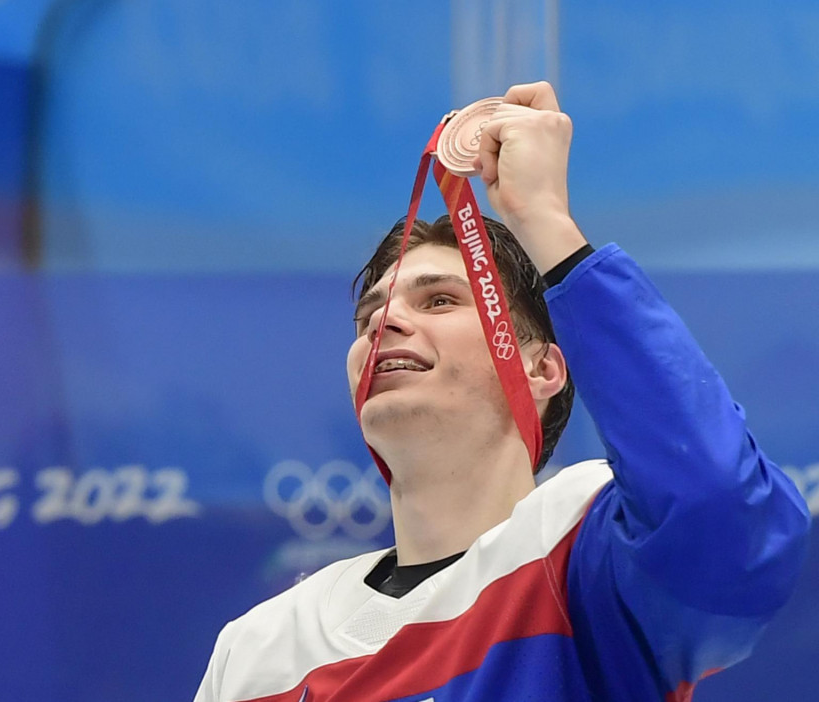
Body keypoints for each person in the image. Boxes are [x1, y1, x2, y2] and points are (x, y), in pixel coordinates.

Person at [193, 82, 810, 701]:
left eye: (439, 300)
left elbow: (722, 516)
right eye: (368, 317)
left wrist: (544, 218)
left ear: (543, 370)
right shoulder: (257, 649)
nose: (386, 322)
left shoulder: (586, 550)